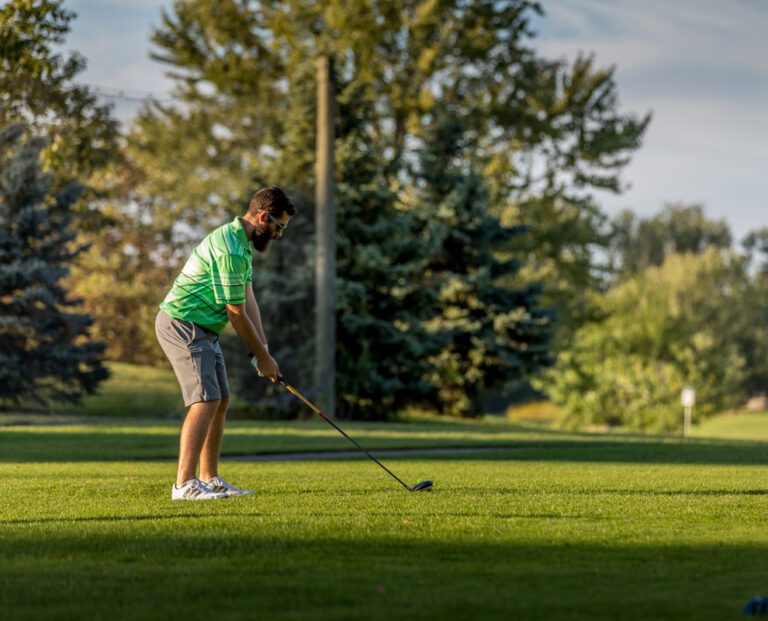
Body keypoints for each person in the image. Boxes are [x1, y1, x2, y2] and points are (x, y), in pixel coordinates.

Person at [155, 186, 295, 500]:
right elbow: (235, 313)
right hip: (183, 323)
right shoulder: (230, 248)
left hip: (203, 327)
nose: (279, 234)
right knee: (205, 400)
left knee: (220, 400)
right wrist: (261, 357)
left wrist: (263, 351)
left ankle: (209, 477)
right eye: (278, 226)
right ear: (263, 217)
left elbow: (248, 299)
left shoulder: (241, 243)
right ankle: (184, 485)